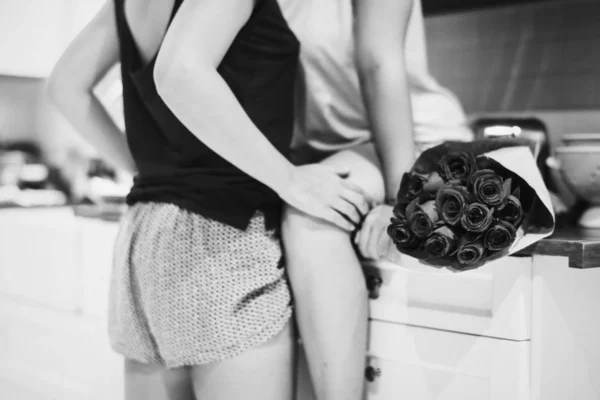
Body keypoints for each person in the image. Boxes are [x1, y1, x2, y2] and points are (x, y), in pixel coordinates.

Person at [47, 1, 369, 399]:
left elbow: (64, 85)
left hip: (144, 236)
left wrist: (143, 169)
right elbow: (179, 72)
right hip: (221, 238)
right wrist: (288, 179)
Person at [277, 0, 473, 399]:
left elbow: (377, 61)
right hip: (332, 150)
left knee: (311, 216)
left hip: (414, 141)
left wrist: (401, 196)